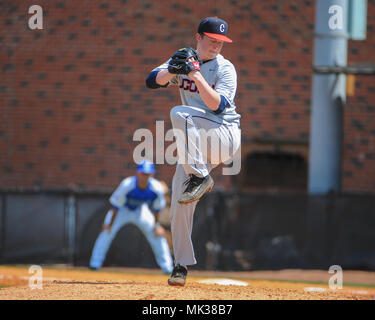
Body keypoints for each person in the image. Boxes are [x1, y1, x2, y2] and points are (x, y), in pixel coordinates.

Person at [146, 17, 241, 286]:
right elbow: (151, 81)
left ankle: (200, 177)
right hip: (196, 143)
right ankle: (180, 266)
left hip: (223, 136)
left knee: (179, 113)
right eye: (212, 40)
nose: (216, 46)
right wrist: (172, 70)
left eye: (221, 42)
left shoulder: (225, 69)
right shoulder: (184, 58)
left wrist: (195, 74)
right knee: (179, 200)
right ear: (198, 36)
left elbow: (218, 106)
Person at [89, 160, 173, 274]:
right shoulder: (127, 185)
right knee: (106, 232)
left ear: (152, 175)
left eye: (148, 174)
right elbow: (115, 207)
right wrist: (109, 224)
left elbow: (156, 209)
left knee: (157, 234)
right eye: (143, 173)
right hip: (121, 211)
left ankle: (168, 268)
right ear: (138, 173)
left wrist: (156, 225)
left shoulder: (156, 188)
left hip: (140, 210)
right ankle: (95, 264)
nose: (145, 176)